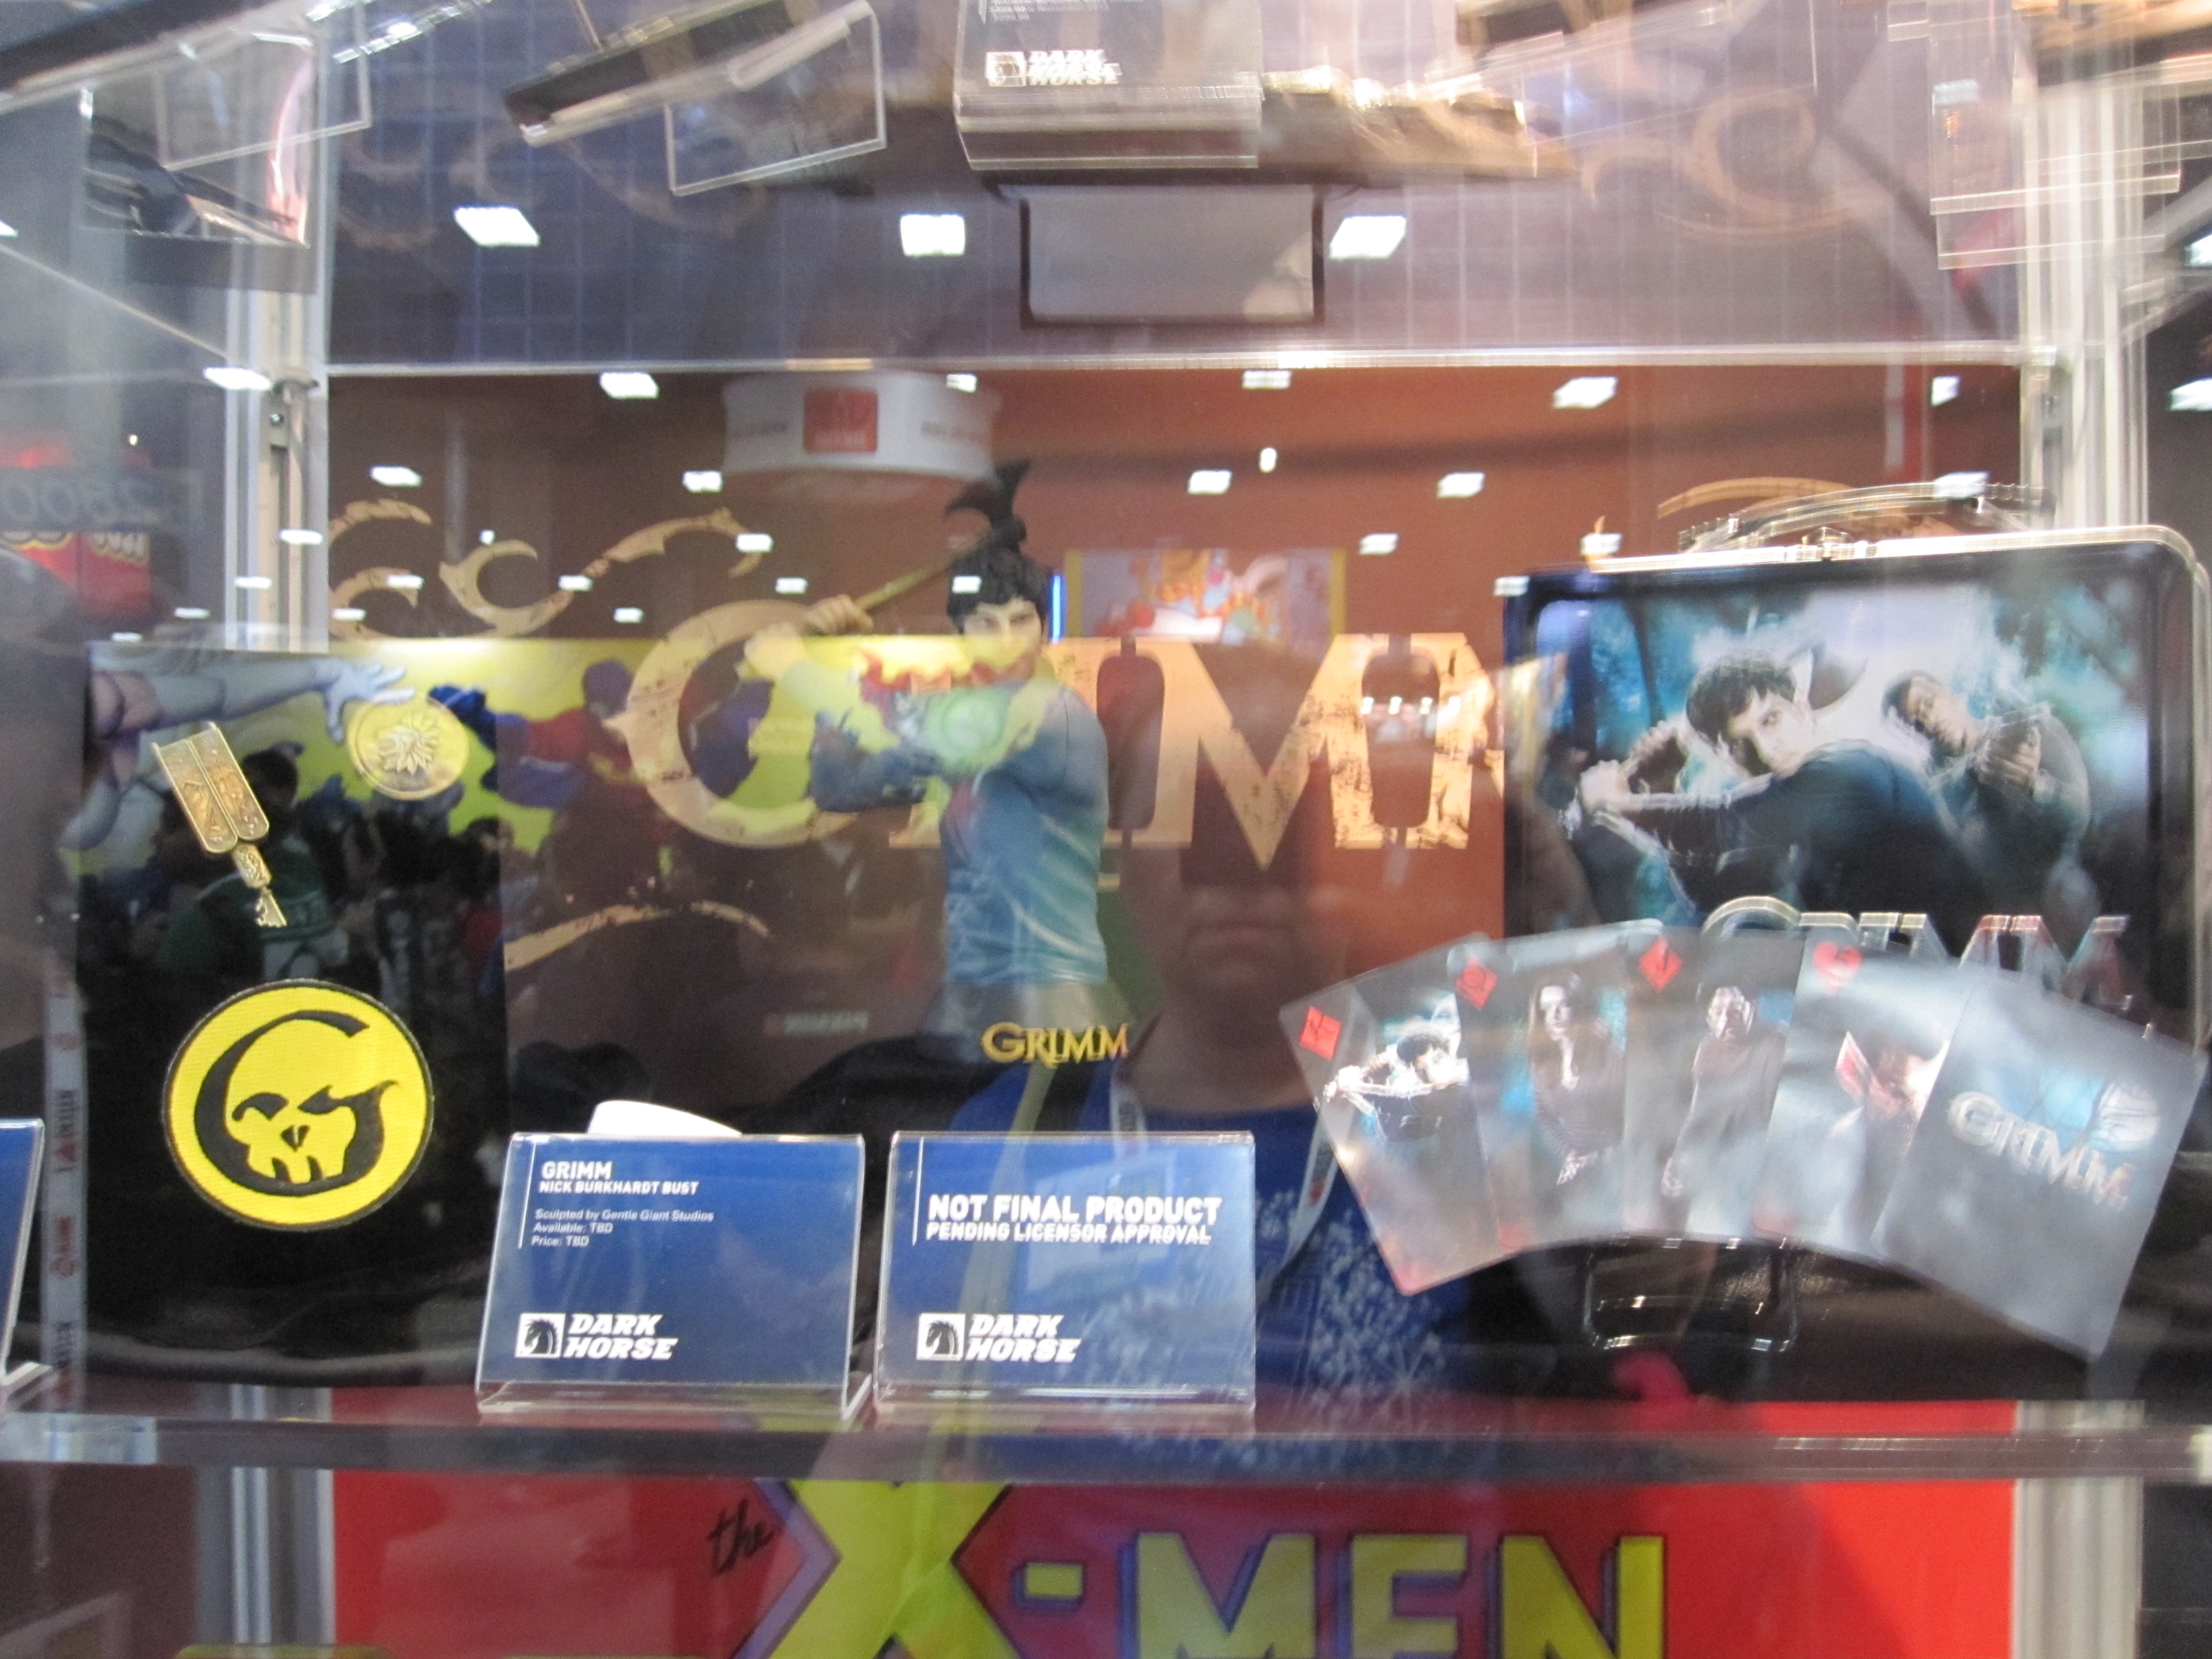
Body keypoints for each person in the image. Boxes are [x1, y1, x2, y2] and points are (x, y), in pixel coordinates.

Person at [953, 648, 1486, 1392]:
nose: (1244, 868)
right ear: (1121, 853)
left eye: (1288, 821)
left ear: (1352, 855)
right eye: (1197, 817)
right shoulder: (1011, 1143)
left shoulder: (1477, 1130)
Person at [781, 464, 1121, 1052]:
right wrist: (840, 663)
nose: (1006, 640)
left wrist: (837, 658)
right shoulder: (965, 728)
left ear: (1045, 631)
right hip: (969, 998)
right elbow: (840, 787)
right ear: (960, 635)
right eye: (985, 624)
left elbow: (889, 727)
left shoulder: (1049, 715)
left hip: (1052, 1005)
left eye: (1021, 621)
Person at [1579, 653, 1982, 943]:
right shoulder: (1782, 812)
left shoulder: (1849, 770)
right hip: (1878, 991)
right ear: (1722, 755)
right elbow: (1714, 895)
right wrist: (1665, 786)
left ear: (1801, 707)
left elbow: (1715, 824)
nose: (1765, 749)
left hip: (1947, 985)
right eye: (1740, 743)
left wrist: (1613, 803)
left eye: (1771, 720)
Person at [1882, 671, 2095, 942]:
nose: (1929, 721)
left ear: (1950, 696)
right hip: (1992, 927)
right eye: (1915, 723)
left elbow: (2078, 815)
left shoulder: (2034, 731)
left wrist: (2034, 785)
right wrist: (1975, 772)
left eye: (1928, 704)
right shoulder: (1929, 790)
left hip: (2063, 904)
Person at [1660, 981, 1787, 1226]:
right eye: (1718, 1013)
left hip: (1763, 1161)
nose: (1726, 1022)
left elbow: (1774, 1127)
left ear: (1753, 1008)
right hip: (1722, 1160)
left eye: (1735, 1011)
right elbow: (1698, 1113)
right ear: (1708, 1018)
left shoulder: (1776, 1045)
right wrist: (1679, 1159)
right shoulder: (1708, 1049)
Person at [1525, 973, 1625, 1185]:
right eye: (1547, 1009)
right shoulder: (1542, 1067)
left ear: (1579, 1008)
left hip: (1618, 1168)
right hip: (1579, 1172)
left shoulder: (1609, 1054)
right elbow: (1545, 1119)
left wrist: (1599, 1159)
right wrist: (1569, 1155)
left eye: (1563, 1005)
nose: (1555, 1016)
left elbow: (1631, 1119)